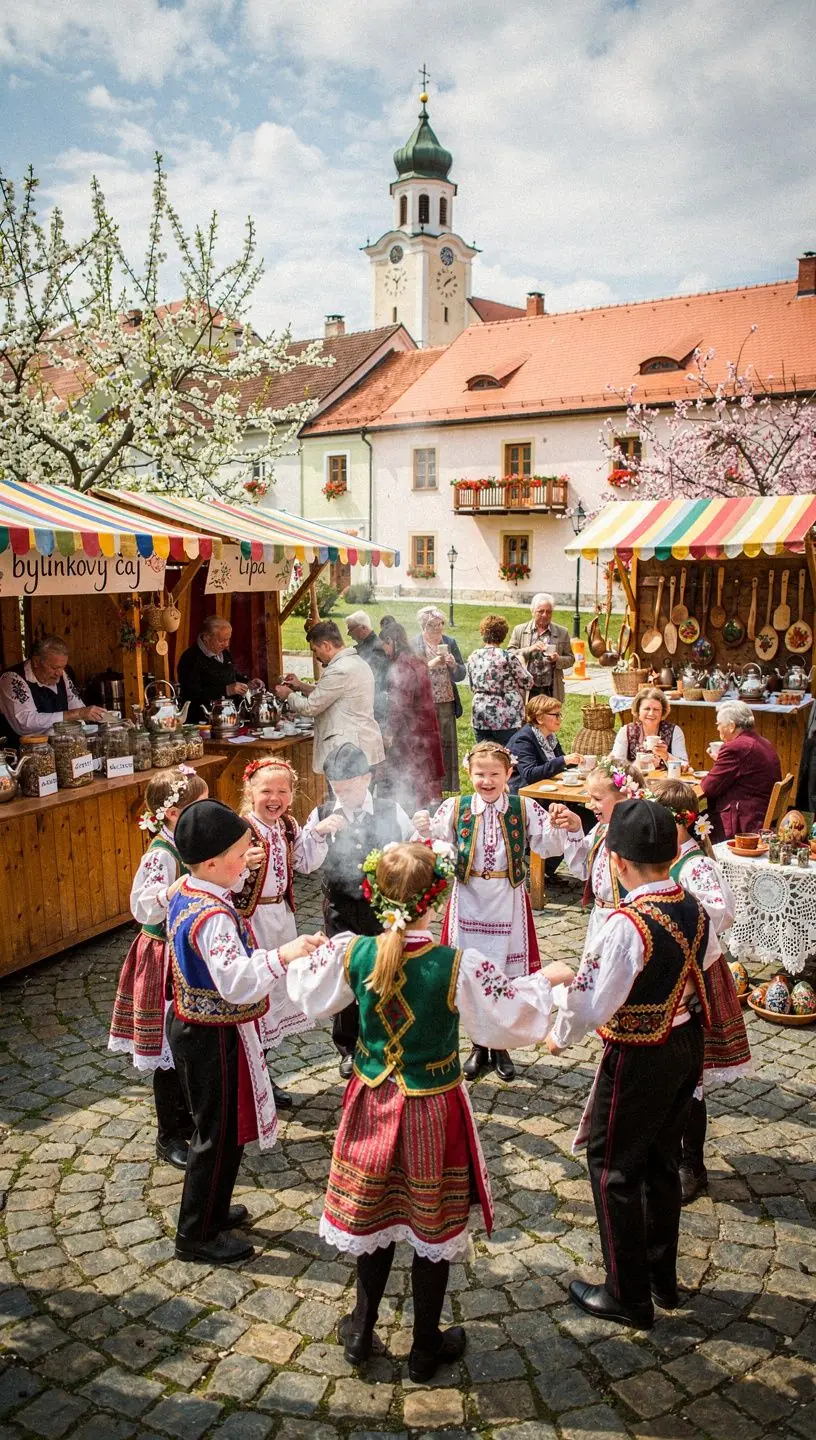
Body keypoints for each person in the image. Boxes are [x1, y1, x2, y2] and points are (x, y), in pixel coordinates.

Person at [286, 841, 574, 1377]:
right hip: (432, 1107)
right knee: (429, 1227)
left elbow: (309, 994)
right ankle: (424, 1346)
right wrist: (548, 982)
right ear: (438, 899)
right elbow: (506, 1014)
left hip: (372, 1097)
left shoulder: (355, 951)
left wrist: (299, 954)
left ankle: (361, 1331)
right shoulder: (456, 964)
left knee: (373, 1218)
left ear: (372, 895)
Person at [546, 799, 720, 1330]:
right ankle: (660, 1277)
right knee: (662, 1161)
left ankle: (627, 1294)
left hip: (642, 1054)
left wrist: (559, 1028)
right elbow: (708, 959)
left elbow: (593, 999)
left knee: (613, 1166)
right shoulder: (693, 904)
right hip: (687, 1043)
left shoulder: (627, 923)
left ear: (617, 862)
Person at [166, 798, 323, 1266]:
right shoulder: (212, 916)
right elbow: (235, 981)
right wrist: (285, 955)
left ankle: (213, 1210)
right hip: (211, 1034)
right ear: (212, 863)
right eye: (241, 853)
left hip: (207, 1026)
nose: (249, 858)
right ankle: (196, 1234)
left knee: (228, 1128)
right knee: (216, 1133)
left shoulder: (192, 890)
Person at [415, 740, 565, 1082]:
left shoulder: (522, 808)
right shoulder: (456, 807)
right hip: (468, 898)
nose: (487, 781)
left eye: (495, 774)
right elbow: (435, 845)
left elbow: (548, 845)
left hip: (506, 898)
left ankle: (500, 1045)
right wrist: (426, 831)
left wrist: (557, 825)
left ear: (509, 774)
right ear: (469, 774)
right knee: (468, 973)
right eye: (480, 774)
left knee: (501, 973)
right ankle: (478, 1044)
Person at [652, 780, 750, 1205]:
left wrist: (682, 920)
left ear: (684, 823)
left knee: (692, 1079)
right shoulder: (667, 859)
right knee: (672, 1073)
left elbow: (721, 911)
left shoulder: (696, 867)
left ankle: (693, 1165)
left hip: (697, 978)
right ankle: (668, 1154)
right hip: (673, 975)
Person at [108, 766, 209, 1170]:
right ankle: (170, 1134)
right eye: (199, 805)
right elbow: (142, 905)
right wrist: (177, 889)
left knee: (189, 1045)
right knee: (169, 1049)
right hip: (164, 956)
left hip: (188, 952)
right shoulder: (161, 854)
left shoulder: (188, 843)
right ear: (173, 813)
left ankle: (193, 1119)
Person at [233, 757, 344, 1106]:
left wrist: (320, 833)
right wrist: (241, 865)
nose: (274, 798)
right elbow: (222, 880)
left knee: (276, 995)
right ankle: (250, 1079)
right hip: (252, 922)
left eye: (282, 791)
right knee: (255, 995)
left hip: (281, 916)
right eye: (266, 790)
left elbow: (305, 863)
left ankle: (262, 1076)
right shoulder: (239, 829)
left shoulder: (287, 827)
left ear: (292, 795)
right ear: (250, 791)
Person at [307, 743, 415, 1079]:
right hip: (340, 910)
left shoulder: (390, 809)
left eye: (351, 785)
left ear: (367, 778)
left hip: (381, 910)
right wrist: (318, 835)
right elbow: (305, 861)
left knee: (385, 973)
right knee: (346, 976)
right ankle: (348, 1046)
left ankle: (386, 1040)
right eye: (338, 788)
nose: (345, 793)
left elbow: (413, 847)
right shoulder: (322, 815)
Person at [548, 756, 645, 953]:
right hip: (600, 919)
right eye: (590, 798)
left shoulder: (639, 835)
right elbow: (583, 870)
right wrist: (575, 828)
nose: (590, 805)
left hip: (626, 923)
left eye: (598, 799)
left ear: (626, 797)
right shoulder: (602, 829)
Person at [275, 620, 385, 775]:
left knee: (345, 798)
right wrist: (300, 686)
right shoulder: (354, 662)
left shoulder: (340, 669)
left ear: (327, 645)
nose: (315, 656)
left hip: (348, 753)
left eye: (315, 650)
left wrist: (289, 695)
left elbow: (310, 707)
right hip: (360, 747)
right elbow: (330, 693)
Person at [380, 619, 445, 811]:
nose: (384, 651)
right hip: (425, 729)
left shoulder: (402, 666)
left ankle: (415, 823)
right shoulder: (417, 660)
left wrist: (390, 732)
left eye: (384, 645)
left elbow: (400, 704)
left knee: (413, 783)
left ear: (391, 641)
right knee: (427, 782)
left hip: (411, 735)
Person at [701, 700, 781, 842]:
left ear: (731, 726)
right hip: (761, 813)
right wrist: (721, 761)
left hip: (746, 823)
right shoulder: (762, 742)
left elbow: (708, 788)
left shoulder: (736, 747)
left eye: (719, 724)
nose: (717, 729)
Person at [0, 634, 104, 744]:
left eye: (62, 667)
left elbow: (77, 706)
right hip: (22, 753)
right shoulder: (12, 679)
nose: (59, 673)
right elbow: (25, 724)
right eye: (54, 667)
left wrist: (91, 716)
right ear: (36, 662)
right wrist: (75, 714)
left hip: (59, 747)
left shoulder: (62, 674)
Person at [413, 606, 466, 793]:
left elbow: (461, 674)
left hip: (446, 701)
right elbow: (411, 674)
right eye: (432, 625)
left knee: (446, 745)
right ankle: (426, 787)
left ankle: (445, 787)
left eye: (440, 624)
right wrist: (431, 664)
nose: (437, 628)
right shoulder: (415, 644)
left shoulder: (449, 642)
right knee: (427, 745)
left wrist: (453, 665)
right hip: (424, 703)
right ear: (423, 626)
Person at [466, 614, 531, 744]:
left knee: (483, 753)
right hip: (506, 715)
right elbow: (527, 682)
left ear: (483, 633)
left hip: (481, 713)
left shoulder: (473, 656)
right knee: (507, 755)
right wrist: (523, 663)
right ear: (503, 635)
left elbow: (472, 686)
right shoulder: (508, 657)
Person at [177, 616, 248, 724]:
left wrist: (248, 682)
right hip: (203, 723)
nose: (226, 644)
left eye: (228, 639)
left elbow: (232, 675)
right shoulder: (190, 659)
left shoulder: (224, 653)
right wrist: (226, 690)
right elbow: (192, 695)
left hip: (228, 718)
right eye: (221, 640)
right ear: (206, 637)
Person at [507, 593, 575, 701]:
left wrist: (557, 659)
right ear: (533, 611)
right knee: (527, 717)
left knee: (550, 717)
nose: (545, 615)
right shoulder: (520, 630)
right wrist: (530, 649)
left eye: (549, 612)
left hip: (551, 689)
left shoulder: (562, 632)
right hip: (527, 689)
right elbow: (510, 655)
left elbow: (571, 659)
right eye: (541, 611)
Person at [508, 695, 582, 791]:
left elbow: (559, 764)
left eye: (560, 714)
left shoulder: (550, 737)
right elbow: (529, 774)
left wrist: (577, 762)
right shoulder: (523, 739)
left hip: (545, 788)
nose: (559, 719)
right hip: (525, 794)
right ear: (540, 718)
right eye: (556, 715)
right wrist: (564, 760)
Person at [611, 687, 688, 767]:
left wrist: (666, 756)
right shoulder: (626, 731)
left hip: (666, 779)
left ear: (662, 712)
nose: (651, 713)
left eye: (656, 709)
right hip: (635, 778)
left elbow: (685, 765)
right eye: (647, 709)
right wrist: (637, 765)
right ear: (638, 711)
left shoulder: (674, 731)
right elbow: (616, 765)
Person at [346, 611, 390, 727]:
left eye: (351, 629)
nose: (348, 634)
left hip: (375, 706)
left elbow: (375, 679)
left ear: (363, 628)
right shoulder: (363, 647)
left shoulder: (377, 649)